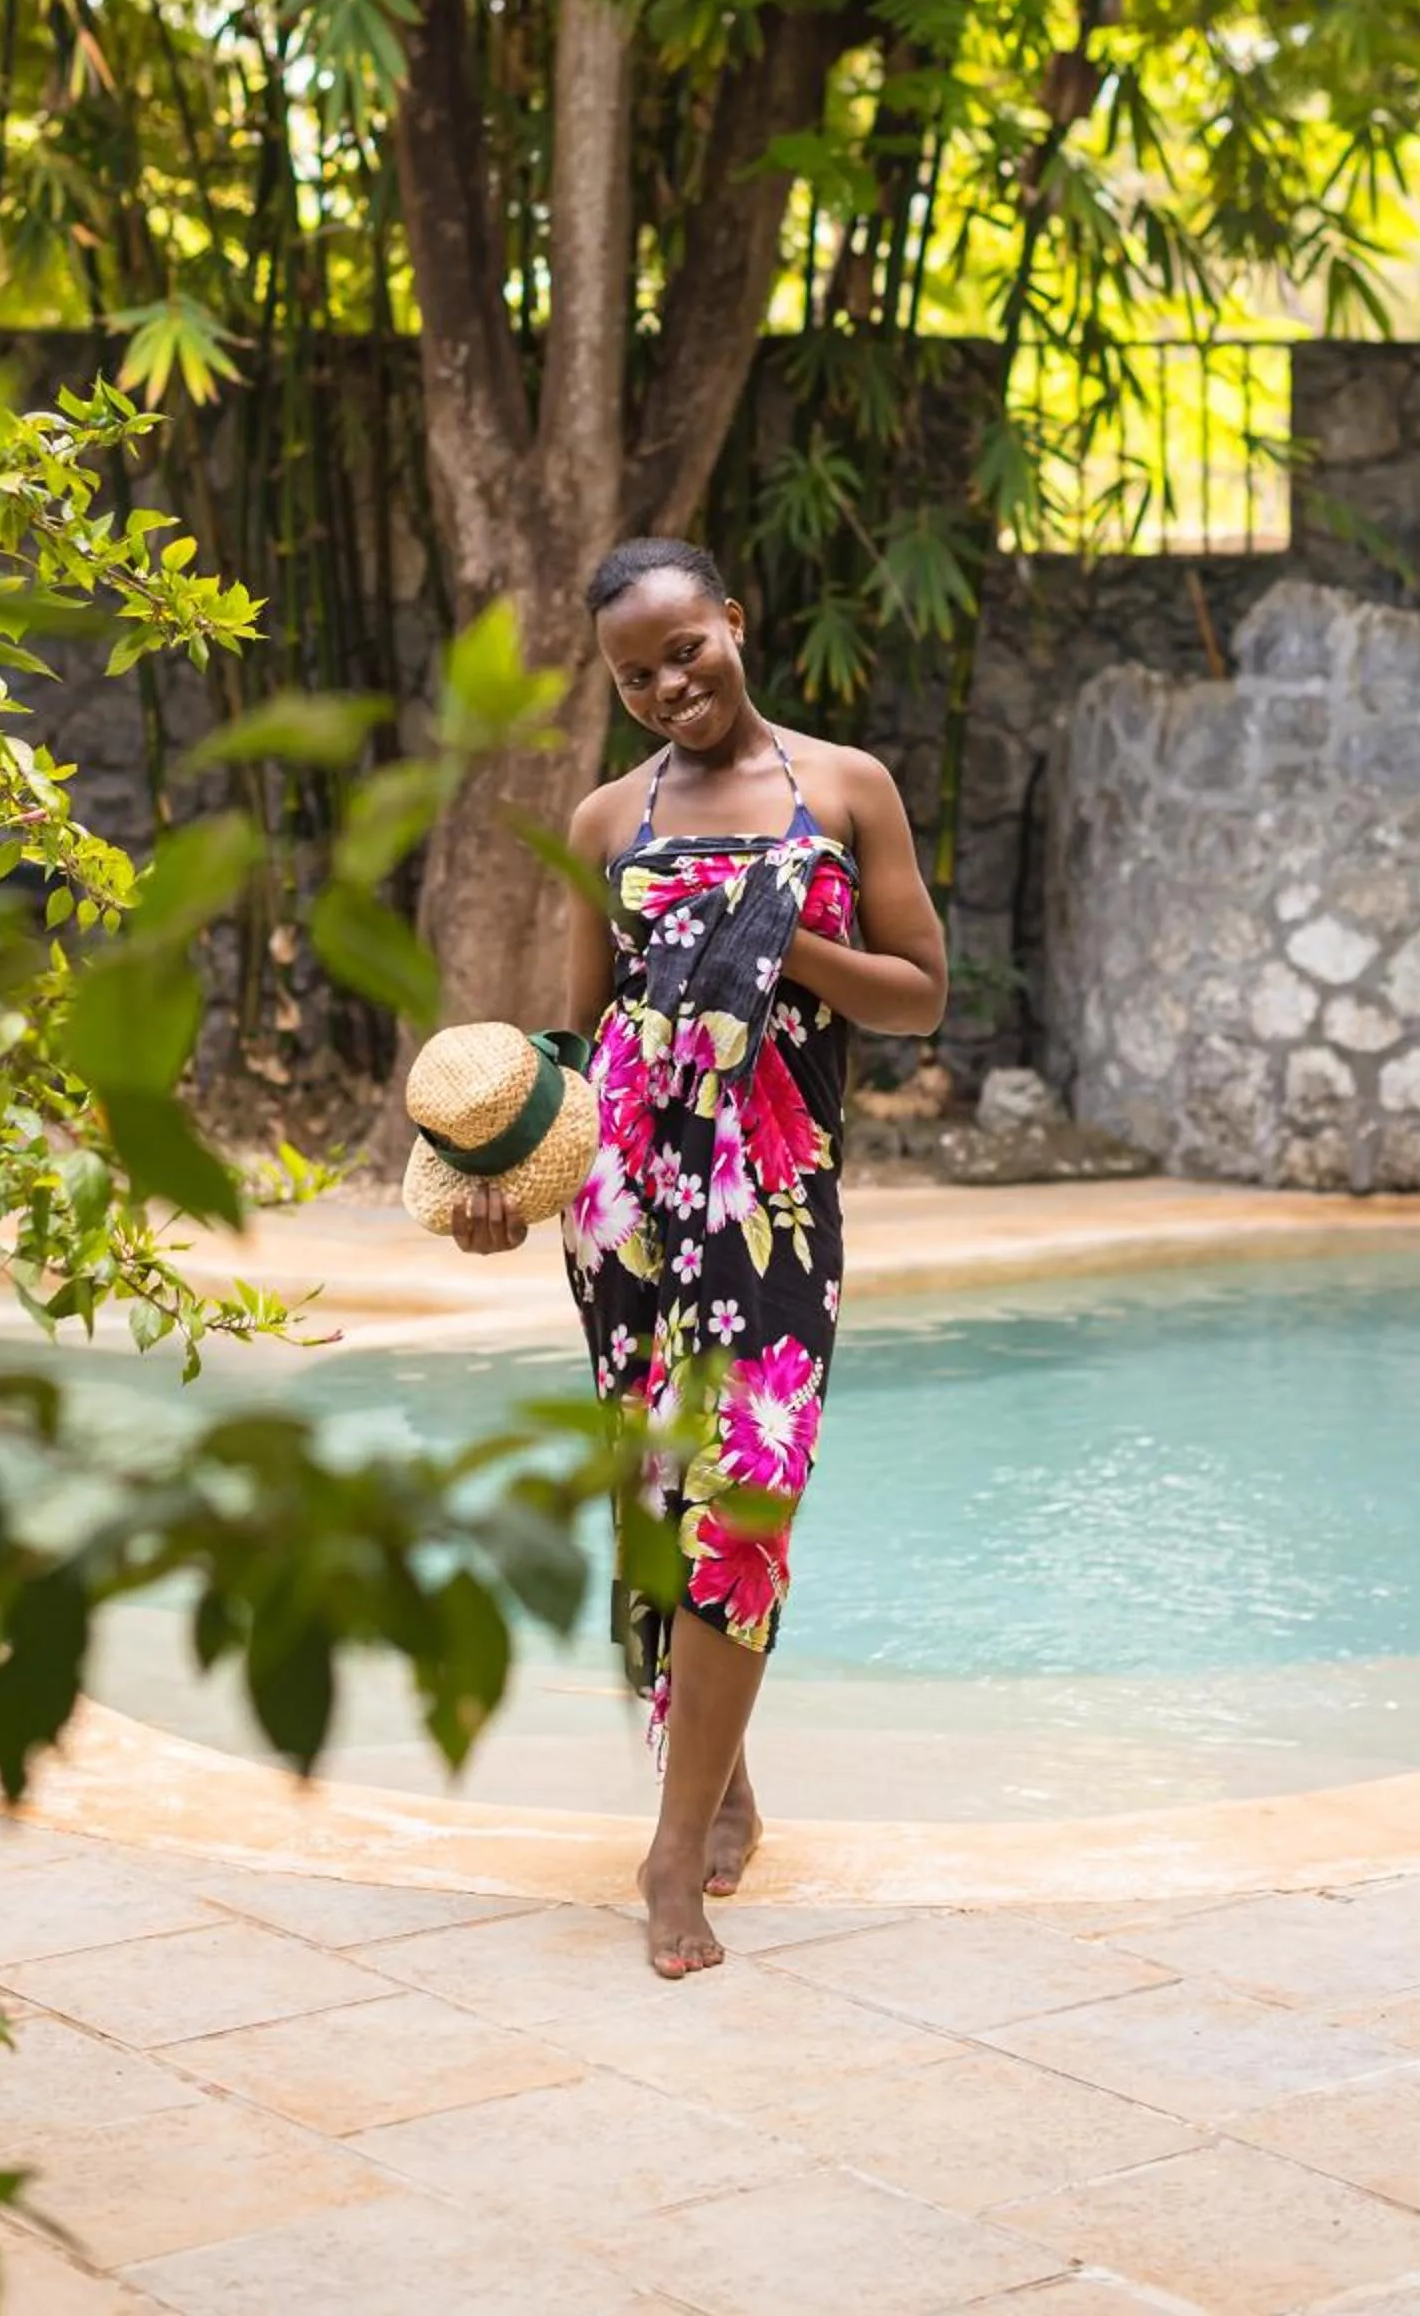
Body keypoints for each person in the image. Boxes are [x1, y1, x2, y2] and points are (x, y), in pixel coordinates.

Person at [450, 537, 948, 1978]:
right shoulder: (608, 820)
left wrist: (790, 950)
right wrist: (503, 1175)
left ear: (737, 619)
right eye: (635, 673)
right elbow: (577, 1045)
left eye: (688, 648)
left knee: (746, 1496)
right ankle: (717, 1779)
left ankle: (669, 1856)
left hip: (776, 1199)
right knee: (654, 1498)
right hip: (625, 1200)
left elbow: (920, 997)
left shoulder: (848, 789)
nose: (671, 683)